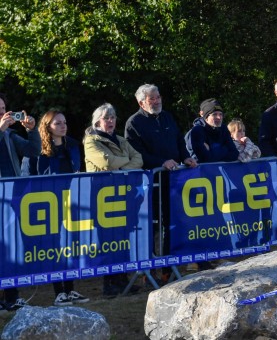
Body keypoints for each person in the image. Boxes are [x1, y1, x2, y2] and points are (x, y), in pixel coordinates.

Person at [125, 84, 196, 275]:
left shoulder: (167, 116)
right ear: (141, 102)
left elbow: (179, 140)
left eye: (158, 97)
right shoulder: (134, 123)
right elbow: (137, 154)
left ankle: (169, 269)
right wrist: (161, 162)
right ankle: (149, 272)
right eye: (152, 99)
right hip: (150, 184)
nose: (157, 101)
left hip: (173, 182)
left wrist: (185, 156)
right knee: (153, 227)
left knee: (172, 223)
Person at [83, 103, 143, 297]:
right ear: (97, 121)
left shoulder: (119, 140)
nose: (111, 121)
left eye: (113, 117)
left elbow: (139, 158)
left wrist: (121, 167)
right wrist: (125, 162)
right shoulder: (91, 140)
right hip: (103, 197)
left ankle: (122, 281)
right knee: (107, 240)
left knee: (123, 238)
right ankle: (109, 284)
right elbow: (106, 162)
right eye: (106, 118)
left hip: (124, 194)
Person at [32, 110, 90, 306]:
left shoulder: (72, 145)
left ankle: (71, 289)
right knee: (54, 247)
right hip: (48, 202)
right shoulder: (38, 148)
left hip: (70, 200)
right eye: (58, 123)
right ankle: (59, 292)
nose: (63, 126)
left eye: (64, 122)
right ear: (48, 126)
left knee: (71, 245)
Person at [0, 93, 38, 312]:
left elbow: (32, 151)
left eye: (4, 108)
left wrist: (31, 130)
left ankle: (12, 296)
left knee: (11, 248)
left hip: (11, 196)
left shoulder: (10, 135)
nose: (3, 113)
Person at [186, 99, 239, 163]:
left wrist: (211, 150)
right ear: (205, 116)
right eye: (214, 114)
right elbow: (205, 159)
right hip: (200, 172)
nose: (219, 117)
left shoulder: (223, 128)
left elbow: (235, 154)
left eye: (220, 114)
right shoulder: (197, 131)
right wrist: (225, 149)